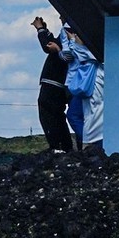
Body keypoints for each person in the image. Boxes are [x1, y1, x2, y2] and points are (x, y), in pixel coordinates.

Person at [31, 15, 73, 152]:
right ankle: (63, 146)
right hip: (59, 82)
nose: (60, 17)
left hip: (55, 81)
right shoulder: (72, 30)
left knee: (49, 111)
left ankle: (58, 146)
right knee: (56, 114)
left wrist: (41, 30)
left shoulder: (69, 30)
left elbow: (49, 47)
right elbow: (53, 43)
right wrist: (44, 30)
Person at [60, 23, 103, 151]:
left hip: (88, 86)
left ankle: (90, 144)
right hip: (85, 85)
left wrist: (71, 42)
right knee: (76, 114)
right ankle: (87, 142)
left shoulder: (94, 59)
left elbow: (81, 53)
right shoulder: (92, 58)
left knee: (81, 114)